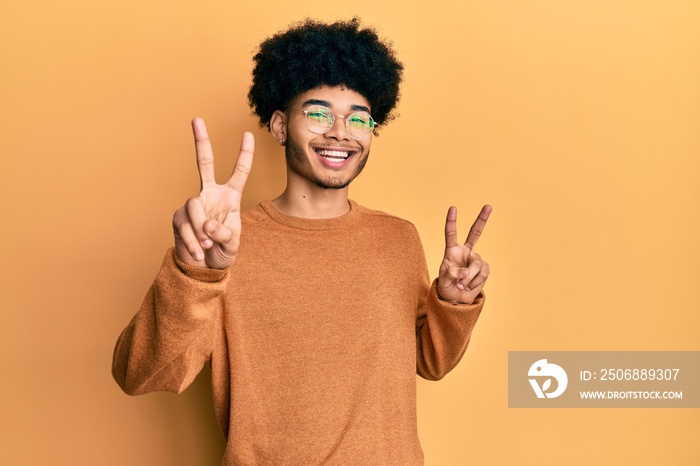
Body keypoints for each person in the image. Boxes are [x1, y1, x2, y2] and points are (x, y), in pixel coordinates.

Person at [112, 17, 491, 465]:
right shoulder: (226, 246)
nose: (339, 132)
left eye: (359, 119)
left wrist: (452, 304)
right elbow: (139, 374)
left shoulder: (397, 239)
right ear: (277, 125)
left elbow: (431, 363)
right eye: (318, 113)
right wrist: (196, 271)